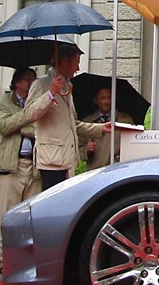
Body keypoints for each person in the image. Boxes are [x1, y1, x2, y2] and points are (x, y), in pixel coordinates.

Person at [26, 43, 113, 183]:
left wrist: (101, 128)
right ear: (65, 62)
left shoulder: (67, 86)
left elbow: (73, 124)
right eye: (76, 63)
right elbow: (30, 114)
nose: (78, 68)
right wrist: (51, 93)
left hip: (67, 159)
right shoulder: (41, 84)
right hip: (51, 159)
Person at [0, 67, 39, 265]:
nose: (31, 84)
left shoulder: (38, 104)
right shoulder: (4, 101)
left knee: (31, 218)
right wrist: (27, 114)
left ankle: (26, 261)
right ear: (17, 82)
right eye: (28, 80)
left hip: (33, 166)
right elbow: (4, 127)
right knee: (6, 215)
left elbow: (39, 131)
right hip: (9, 166)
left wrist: (20, 122)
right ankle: (5, 259)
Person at [81, 85, 135, 169]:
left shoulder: (125, 121)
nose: (106, 101)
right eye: (102, 98)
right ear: (96, 100)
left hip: (118, 169)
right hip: (94, 171)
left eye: (109, 98)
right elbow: (78, 148)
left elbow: (132, 145)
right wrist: (86, 150)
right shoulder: (87, 122)